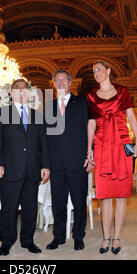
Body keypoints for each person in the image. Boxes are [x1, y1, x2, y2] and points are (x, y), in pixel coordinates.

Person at [85, 61, 137, 255]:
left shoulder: (123, 91)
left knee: (121, 193)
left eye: (99, 69)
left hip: (123, 143)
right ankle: (106, 237)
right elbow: (91, 125)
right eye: (94, 71)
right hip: (101, 146)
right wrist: (89, 148)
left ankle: (116, 237)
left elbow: (132, 117)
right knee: (105, 194)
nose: (96, 73)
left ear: (108, 71)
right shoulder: (91, 96)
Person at [0, 78, 50, 256]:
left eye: (25, 88)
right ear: (12, 93)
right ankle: (6, 241)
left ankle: (28, 240)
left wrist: (46, 165)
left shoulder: (38, 116)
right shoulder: (2, 112)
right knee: (8, 208)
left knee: (30, 208)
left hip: (32, 169)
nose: (21, 90)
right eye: (17, 88)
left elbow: (44, 144)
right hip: (9, 169)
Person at [44, 69, 89, 251]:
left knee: (79, 203)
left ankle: (78, 236)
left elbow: (90, 130)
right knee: (58, 204)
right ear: (54, 85)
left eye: (64, 80)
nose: (61, 83)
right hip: (56, 164)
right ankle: (59, 237)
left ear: (70, 83)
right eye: (57, 81)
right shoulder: (49, 107)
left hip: (77, 161)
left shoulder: (82, 103)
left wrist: (90, 153)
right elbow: (45, 138)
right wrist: (46, 163)